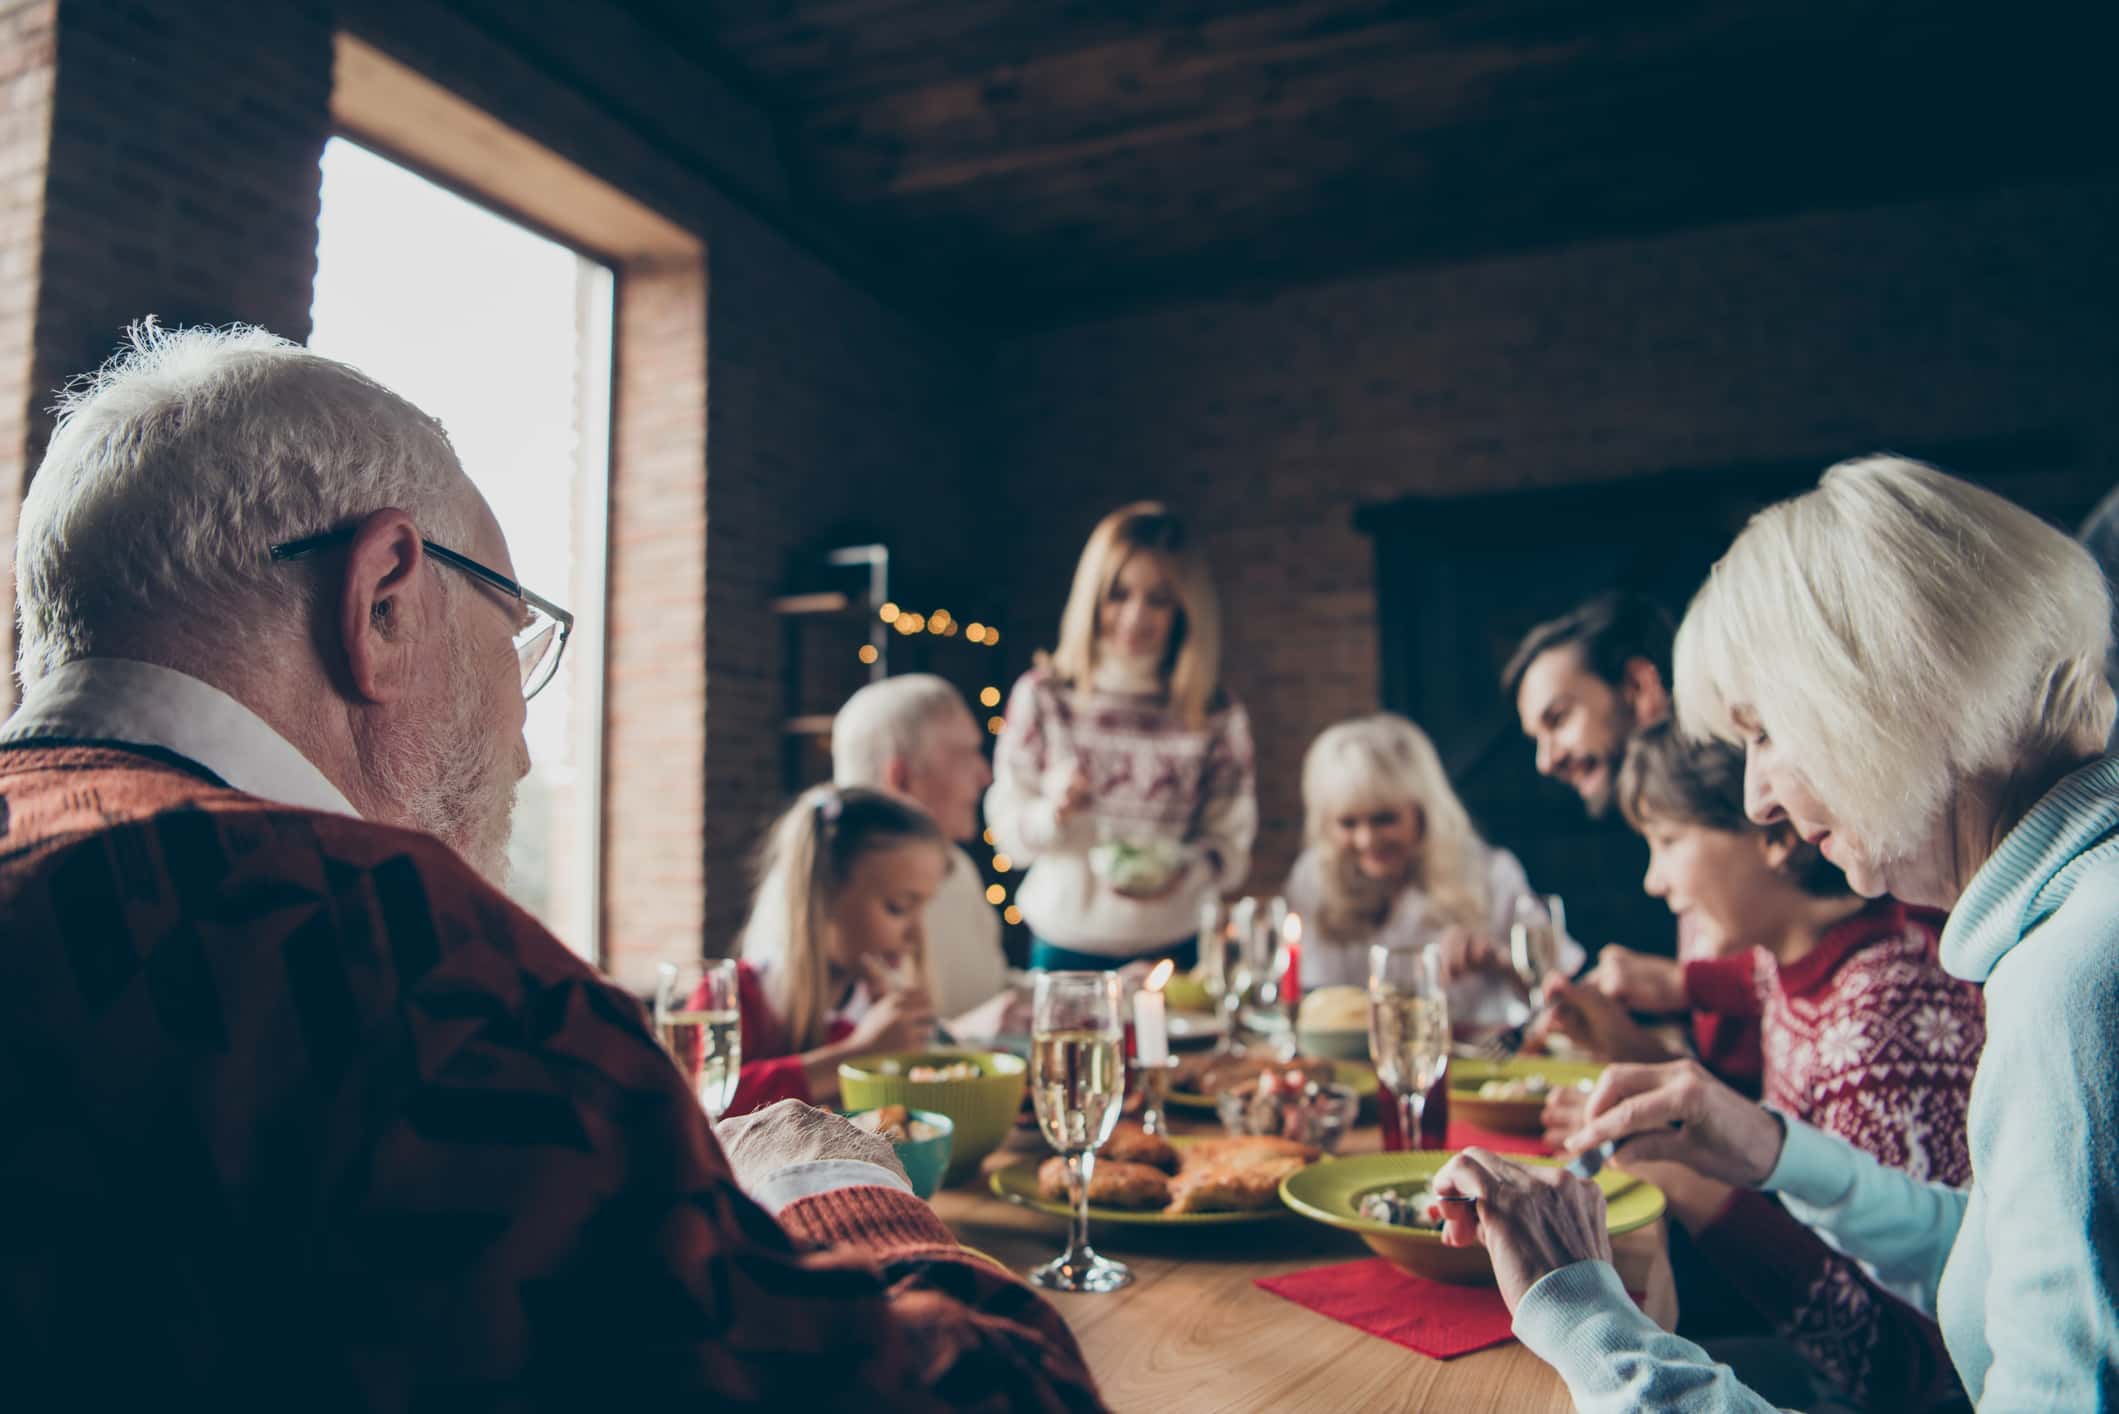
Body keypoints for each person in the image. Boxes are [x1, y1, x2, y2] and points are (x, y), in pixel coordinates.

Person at [0, 324, 1099, 1408]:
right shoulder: (404, 958)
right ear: (382, 599)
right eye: (515, 635)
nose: (524, 744)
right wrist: (830, 1181)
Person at [1436, 454, 2119, 1411]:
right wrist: (1770, 1149)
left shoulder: (2077, 979)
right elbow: (1998, 1268)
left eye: (1762, 732)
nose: (1756, 796)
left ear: (1881, 691)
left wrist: (1582, 1314)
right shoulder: (2065, 925)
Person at [1537, 720, 1980, 1409]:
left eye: (1668, 841)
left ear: (1773, 835)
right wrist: (1621, 1039)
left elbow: (1909, 1368)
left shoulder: (1879, 1027)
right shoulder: (1796, 963)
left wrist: (1690, 1185)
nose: (1653, 880)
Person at [1507, 591, 1763, 1092]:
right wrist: (1618, 1040)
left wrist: (1680, 985)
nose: (1544, 761)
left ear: (1637, 685)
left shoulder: (1735, 811)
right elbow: (1732, 1092)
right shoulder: (1678, 837)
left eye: (1558, 719)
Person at [986, 502, 1256, 970]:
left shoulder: (1216, 712)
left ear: (1185, 608)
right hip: (1064, 944)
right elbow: (1008, 834)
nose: (1135, 617)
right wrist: (1055, 813)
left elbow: (1230, 843)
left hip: (1177, 948)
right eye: (1118, 595)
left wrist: (1185, 869)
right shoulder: (1044, 695)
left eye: (1158, 599)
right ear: (1093, 597)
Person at [1283, 713, 1581, 1027]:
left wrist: (1501, 961)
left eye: (1384, 819)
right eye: (1348, 823)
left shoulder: (1492, 873)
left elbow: (1565, 997)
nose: (1367, 839)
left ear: (1423, 811)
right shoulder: (1312, 878)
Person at [728, 785, 949, 1113]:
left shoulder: (871, 1007)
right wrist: (857, 1054)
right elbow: (696, 1105)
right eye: (898, 907)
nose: (917, 936)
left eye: (923, 909)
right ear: (825, 897)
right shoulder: (734, 998)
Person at [830, 673, 1007, 1018]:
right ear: (901, 780)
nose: (985, 775)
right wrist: (968, 1034)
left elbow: (989, 991)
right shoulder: (832, 895)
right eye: (966, 754)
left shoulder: (959, 869)